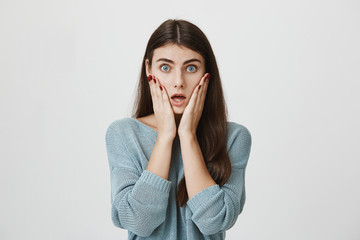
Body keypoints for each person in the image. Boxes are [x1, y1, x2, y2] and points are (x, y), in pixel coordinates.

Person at [105, 19, 252, 240]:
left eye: (191, 68)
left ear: (207, 73)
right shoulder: (124, 134)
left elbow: (215, 221)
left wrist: (187, 136)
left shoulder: (234, 137)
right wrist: (165, 136)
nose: (178, 81)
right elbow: (138, 221)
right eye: (165, 67)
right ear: (148, 70)